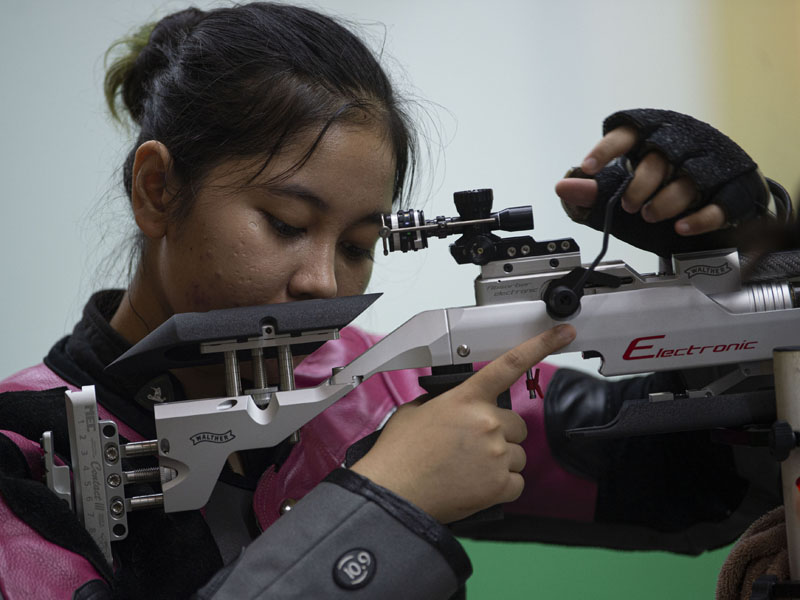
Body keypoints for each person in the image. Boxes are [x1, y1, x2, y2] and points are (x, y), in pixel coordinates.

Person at [0, 4, 781, 600]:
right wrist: (381, 502)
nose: (321, 283)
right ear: (157, 189)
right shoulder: (18, 453)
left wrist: (749, 251)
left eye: (356, 244)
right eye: (285, 223)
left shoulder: (376, 387)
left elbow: (705, 485)